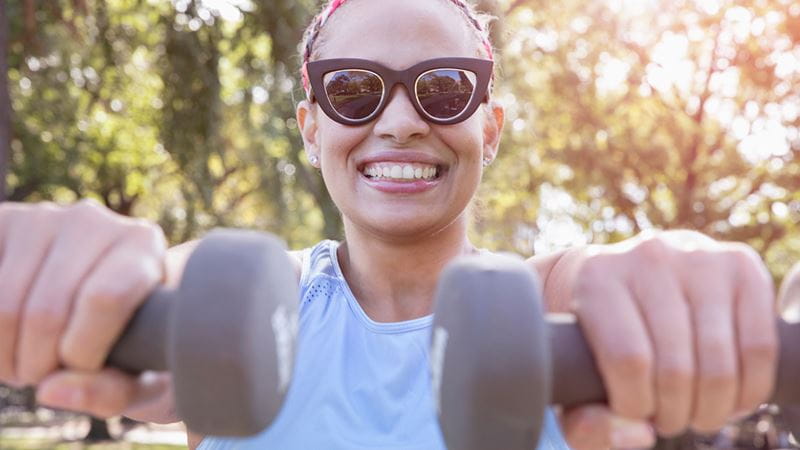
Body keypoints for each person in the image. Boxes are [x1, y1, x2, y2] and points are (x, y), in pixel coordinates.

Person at [0, 0, 782, 448]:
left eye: (443, 88)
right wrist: (91, 273)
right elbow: (177, 282)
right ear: (311, 129)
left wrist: (672, 273)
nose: (402, 122)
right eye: (352, 89)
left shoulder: (548, 304)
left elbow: (609, 279)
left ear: (490, 128)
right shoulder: (251, 300)